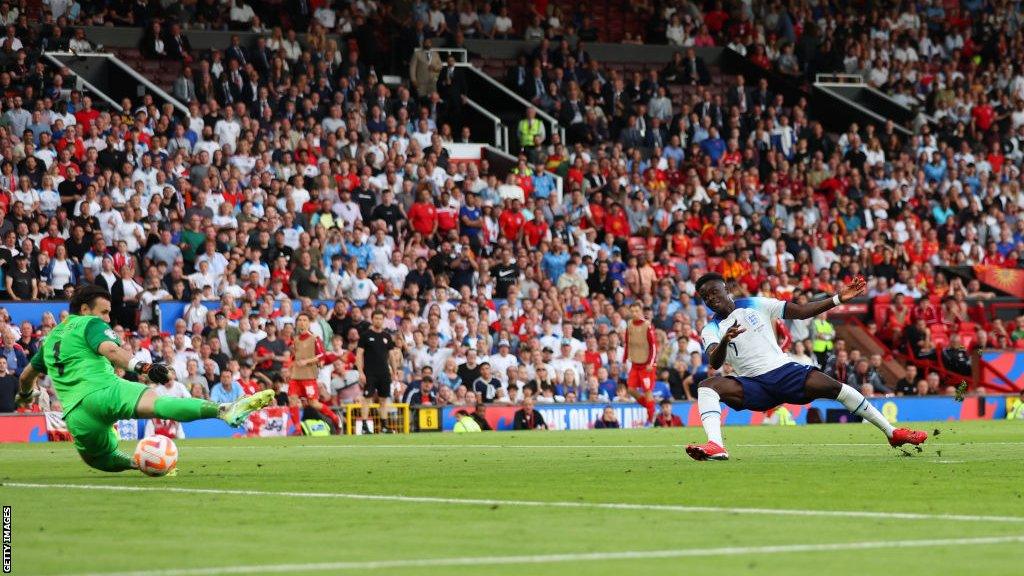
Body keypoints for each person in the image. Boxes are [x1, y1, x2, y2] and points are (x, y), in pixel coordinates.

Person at [15, 285, 273, 473]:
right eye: (104, 312)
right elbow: (112, 351)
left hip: (76, 415)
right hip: (105, 390)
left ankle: (138, 462)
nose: (107, 318)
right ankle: (224, 410)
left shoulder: (49, 341)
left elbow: (27, 376)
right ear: (84, 309)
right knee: (160, 404)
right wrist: (145, 366)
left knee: (98, 458)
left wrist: (27, 395)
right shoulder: (89, 324)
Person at [685, 273, 927, 461]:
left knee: (836, 388)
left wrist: (837, 299)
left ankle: (892, 433)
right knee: (707, 386)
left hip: (784, 372)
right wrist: (726, 339)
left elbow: (799, 312)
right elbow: (715, 361)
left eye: (714, 293)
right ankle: (716, 445)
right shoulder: (711, 329)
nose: (711, 300)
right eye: (705, 298)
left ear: (726, 289)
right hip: (752, 385)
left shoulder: (754, 303)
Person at [289, 312, 340, 431]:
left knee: (313, 403)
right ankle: (297, 429)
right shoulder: (294, 339)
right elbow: (294, 357)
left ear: (308, 323)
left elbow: (321, 355)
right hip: (295, 376)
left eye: (304, 320)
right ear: (296, 323)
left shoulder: (314, 338)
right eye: (299, 320)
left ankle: (334, 417)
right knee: (292, 401)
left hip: (308, 376)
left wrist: (306, 361)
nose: (302, 322)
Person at [357, 309, 397, 433]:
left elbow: (391, 355)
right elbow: (359, 355)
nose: (378, 321)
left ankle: (384, 426)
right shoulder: (365, 336)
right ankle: (364, 426)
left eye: (380, 319)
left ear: (383, 320)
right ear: (372, 319)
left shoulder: (387, 336)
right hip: (370, 372)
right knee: (367, 398)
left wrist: (394, 371)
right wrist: (361, 372)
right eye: (376, 318)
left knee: (383, 399)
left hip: (384, 372)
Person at [623, 302, 657, 424]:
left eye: (637, 311)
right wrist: (624, 359)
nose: (634, 313)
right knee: (631, 389)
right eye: (632, 311)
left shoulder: (647, 326)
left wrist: (651, 363)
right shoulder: (629, 325)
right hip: (635, 363)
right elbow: (627, 343)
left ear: (641, 311)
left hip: (646, 365)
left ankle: (650, 418)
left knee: (647, 390)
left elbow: (653, 346)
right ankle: (651, 408)